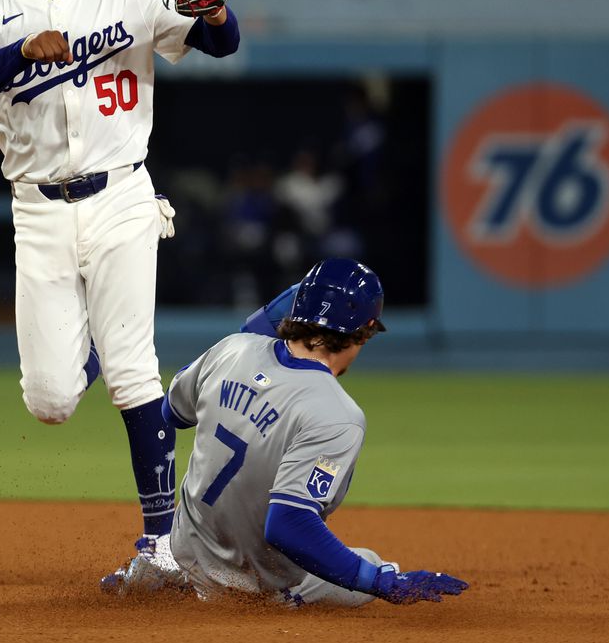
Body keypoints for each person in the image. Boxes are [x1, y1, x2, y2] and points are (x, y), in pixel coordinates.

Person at [0, 0, 241, 567]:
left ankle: (162, 542)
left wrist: (216, 11)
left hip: (122, 198)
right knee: (49, 401)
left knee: (135, 373)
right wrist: (22, 49)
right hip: (39, 209)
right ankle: (85, 353)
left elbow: (221, 44)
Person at [103, 259, 470, 608]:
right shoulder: (338, 415)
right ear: (363, 332)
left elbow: (171, 412)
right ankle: (276, 599)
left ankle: (169, 568)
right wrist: (381, 582)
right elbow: (288, 525)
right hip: (246, 586)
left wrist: (253, 332)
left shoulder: (232, 348)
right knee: (371, 562)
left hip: (185, 550)